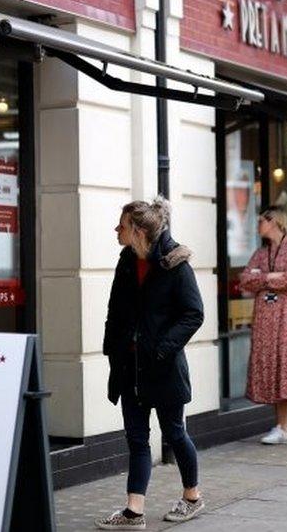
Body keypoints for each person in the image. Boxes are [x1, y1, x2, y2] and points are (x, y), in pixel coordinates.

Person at [96, 197, 205, 530]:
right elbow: (115, 311)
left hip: (163, 367)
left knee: (174, 433)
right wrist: (112, 347)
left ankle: (192, 497)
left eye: (123, 225)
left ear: (139, 231)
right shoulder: (127, 262)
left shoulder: (175, 264)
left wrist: (161, 348)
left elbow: (193, 314)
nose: (117, 229)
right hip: (130, 367)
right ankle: (134, 511)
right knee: (137, 439)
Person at [238, 206, 287, 449]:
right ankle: (282, 428)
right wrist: (271, 277)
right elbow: (244, 280)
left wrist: (263, 277)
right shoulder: (262, 252)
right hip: (265, 320)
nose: (258, 225)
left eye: (261, 220)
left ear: (275, 222)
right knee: (274, 369)